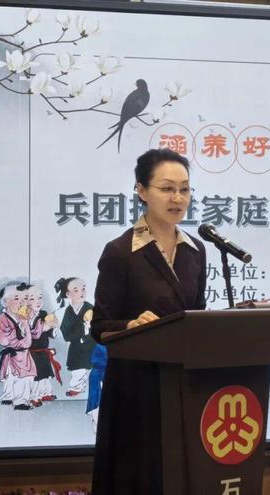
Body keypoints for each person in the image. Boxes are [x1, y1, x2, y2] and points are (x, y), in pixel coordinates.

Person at [91, 148, 206, 495]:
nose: (178, 198)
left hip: (183, 385)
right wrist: (131, 326)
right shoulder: (120, 251)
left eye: (184, 189)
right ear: (141, 191)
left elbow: (197, 314)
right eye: (167, 188)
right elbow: (99, 326)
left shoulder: (196, 250)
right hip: (135, 391)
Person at [0, 283, 37, 410]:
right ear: (6, 302)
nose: (21, 303)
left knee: (26, 378)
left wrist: (26, 324)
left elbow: (29, 340)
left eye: (24, 299)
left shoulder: (24, 318)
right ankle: (11, 398)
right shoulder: (3, 318)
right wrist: (19, 337)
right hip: (13, 354)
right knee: (13, 378)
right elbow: (3, 339)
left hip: (24, 354)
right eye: (17, 299)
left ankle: (20, 401)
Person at [54, 277, 95, 397]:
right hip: (76, 347)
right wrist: (83, 329)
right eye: (76, 290)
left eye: (83, 289)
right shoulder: (68, 311)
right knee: (77, 369)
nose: (81, 293)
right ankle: (76, 389)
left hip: (91, 345)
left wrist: (88, 329)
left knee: (94, 369)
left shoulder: (90, 308)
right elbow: (66, 334)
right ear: (68, 294)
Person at [27, 284, 61, 406]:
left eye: (40, 297)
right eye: (32, 298)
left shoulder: (43, 313)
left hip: (43, 350)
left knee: (46, 375)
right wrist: (44, 327)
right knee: (36, 376)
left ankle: (46, 393)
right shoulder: (25, 315)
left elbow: (50, 333)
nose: (37, 301)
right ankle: (34, 396)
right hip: (32, 352)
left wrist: (54, 326)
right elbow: (30, 333)